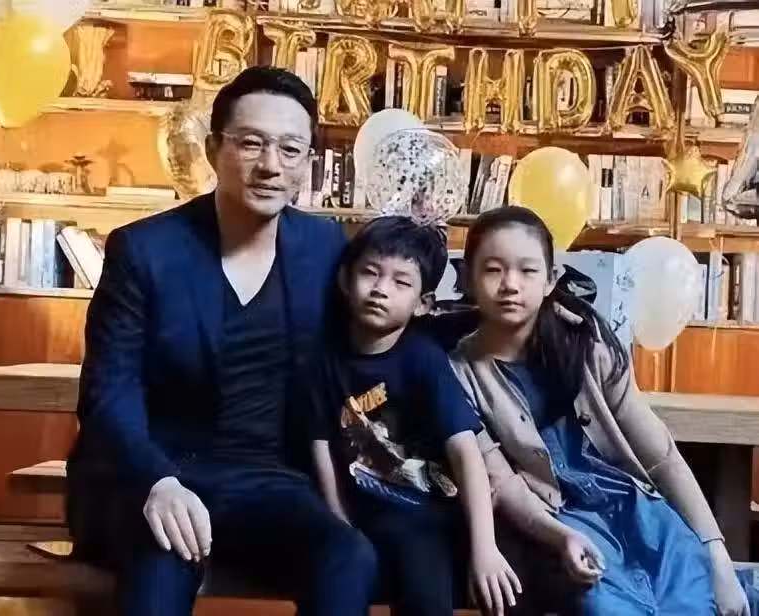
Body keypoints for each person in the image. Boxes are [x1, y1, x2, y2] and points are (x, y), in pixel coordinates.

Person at [66, 66, 378, 616]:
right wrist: (156, 481)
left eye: (290, 149)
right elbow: (108, 393)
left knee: (348, 556)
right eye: (251, 143)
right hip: (154, 472)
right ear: (214, 150)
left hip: (266, 479)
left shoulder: (322, 245)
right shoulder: (144, 250)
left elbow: (384, 327)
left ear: (307, 162)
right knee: (163, 559)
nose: (270, 165)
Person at [449, 206, 750, 615]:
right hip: (562, 519)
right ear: (467, 278)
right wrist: (560, 537)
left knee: (696, 600)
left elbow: (660, 456)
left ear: (552, 279)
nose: (510, 285)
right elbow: (502, 484)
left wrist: (718, 558)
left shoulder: (587, 343)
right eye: (493, 270)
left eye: (528, 270)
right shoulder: (459, 372)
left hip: (639, 509)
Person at [308, 215, 522, 616]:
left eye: (401, 282)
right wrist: (339, 523)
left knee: (426, 595)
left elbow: (466, 452)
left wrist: (485, 547)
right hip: (364, 517)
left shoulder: (423, 359)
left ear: (424, 303)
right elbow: (320, 446)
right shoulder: (323, 360)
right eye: (370, 273)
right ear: (345, 280)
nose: (380, 289)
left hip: (425, 519)